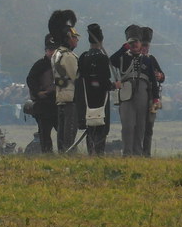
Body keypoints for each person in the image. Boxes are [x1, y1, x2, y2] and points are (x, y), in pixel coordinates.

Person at [111, 24, 157, 156]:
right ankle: (127, 153)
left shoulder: (147, 60)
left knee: (141, 126)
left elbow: (153, 80)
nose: (135, 44)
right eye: (132, 42)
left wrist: (155, 98)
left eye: (137, 41)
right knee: (127, 125)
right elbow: (111, 60)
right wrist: (124, 47)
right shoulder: (123, 57)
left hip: (143, 95)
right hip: (126, 94)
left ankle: (137, 153)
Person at [78, 23, 115, 156]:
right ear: (101, 41)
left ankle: (91, 152)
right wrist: (114, 86)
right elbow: (104, 82)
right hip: (101, 98)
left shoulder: (83, 57)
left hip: (88, 98)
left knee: (90, 126)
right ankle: (99, 153)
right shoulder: (103, 58)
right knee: (101, 127)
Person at [48, 10, 80, 153]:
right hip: (70, 98)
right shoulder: (68, 56)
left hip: (60, 97)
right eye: (74, 37)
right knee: (69, 134)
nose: (77, 40)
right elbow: (76, 77)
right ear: (68, 38)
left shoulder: (56, 54)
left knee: (61, 133)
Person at [25, 34, 58, 153]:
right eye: (50, 50)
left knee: (62, 133)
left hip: (57, 103)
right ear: (46, 51)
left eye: (54, 49)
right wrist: (38, 92)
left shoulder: (60, 64)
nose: (52, 52)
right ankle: (47, 153)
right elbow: (30, 79)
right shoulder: (39, 65)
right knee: (44, 133)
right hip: (43, 105)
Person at [139, 27, 165, 157]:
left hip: (151, 97)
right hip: (138, 96)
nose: (145, 48)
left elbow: (162, 76)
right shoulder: (134, 58)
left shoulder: (151, 59)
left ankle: (146, 153)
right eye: (143, 46)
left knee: (149, 127)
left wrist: (160, 76)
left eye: (146, 46)